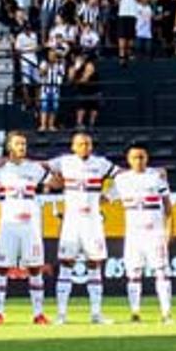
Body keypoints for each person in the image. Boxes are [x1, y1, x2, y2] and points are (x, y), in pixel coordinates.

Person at [49, 131, 117, 325]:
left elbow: (123, 176)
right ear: (73, 146)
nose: (84, 147)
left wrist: (110, 195)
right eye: (80, 144)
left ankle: (96, 313)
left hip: (93, 222)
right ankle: (61, 314)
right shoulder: (64, 162)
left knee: (95, 264)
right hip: (71, 222)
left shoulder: (101, 163)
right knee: (66, 265)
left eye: (87, 144)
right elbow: (40, 167)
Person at [0, 129, 51, 326]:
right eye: (17, 144)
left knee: (34, 268)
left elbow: (56, 182)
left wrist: (51, 168)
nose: (22, 147)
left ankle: (38, 313)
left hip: (30, 224)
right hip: (8, 224)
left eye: (24, 144)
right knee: (1, 268)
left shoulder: (35, 168)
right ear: (9, 147)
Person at [110, 142, 174, 325]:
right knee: (133, 273)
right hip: (133, 234)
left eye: (142, 157)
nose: (138, 160)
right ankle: (135, 312)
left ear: (147, 158)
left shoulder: (156, 178)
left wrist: (170, 229)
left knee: (161, 271)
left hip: (155, 232)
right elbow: (105, 198)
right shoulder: (121, 180)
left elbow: (168, 206)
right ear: (128, 160)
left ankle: (166, 313)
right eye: (135, 157)